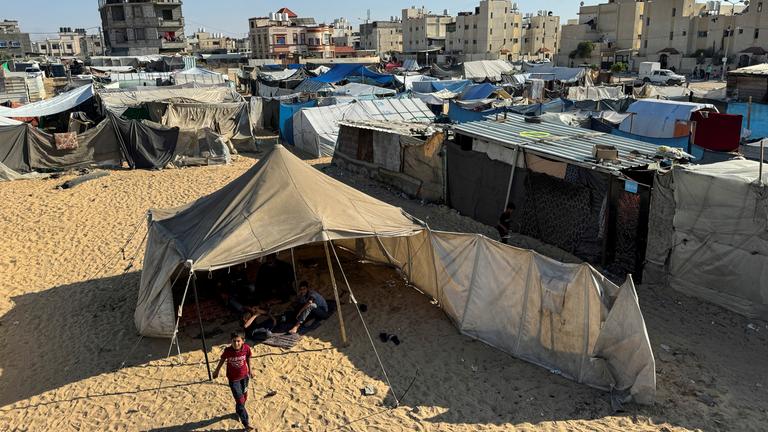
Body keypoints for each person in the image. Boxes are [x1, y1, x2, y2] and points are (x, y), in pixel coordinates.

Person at [213, 332, 255, 432]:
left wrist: (251, 370)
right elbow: (222, 359)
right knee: (240, 401)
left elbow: (248, 357)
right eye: (234, 341)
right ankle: (246, 423)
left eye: (238, 341)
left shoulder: (246, 348)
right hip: (233, 379)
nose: (236, 343)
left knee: (244, 398)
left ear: (243, 341)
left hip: (244, 377)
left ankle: (238, 411)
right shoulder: (228, 350)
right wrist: (217, 370)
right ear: (230, 341)